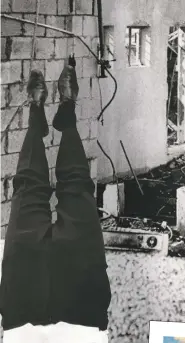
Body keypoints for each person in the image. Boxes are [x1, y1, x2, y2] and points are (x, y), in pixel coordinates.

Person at [0, 66, 111, 342]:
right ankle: (67, 111)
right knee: (77, 192)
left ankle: (36, 114)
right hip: (80, 310)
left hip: (23, 304)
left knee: (27, 191)